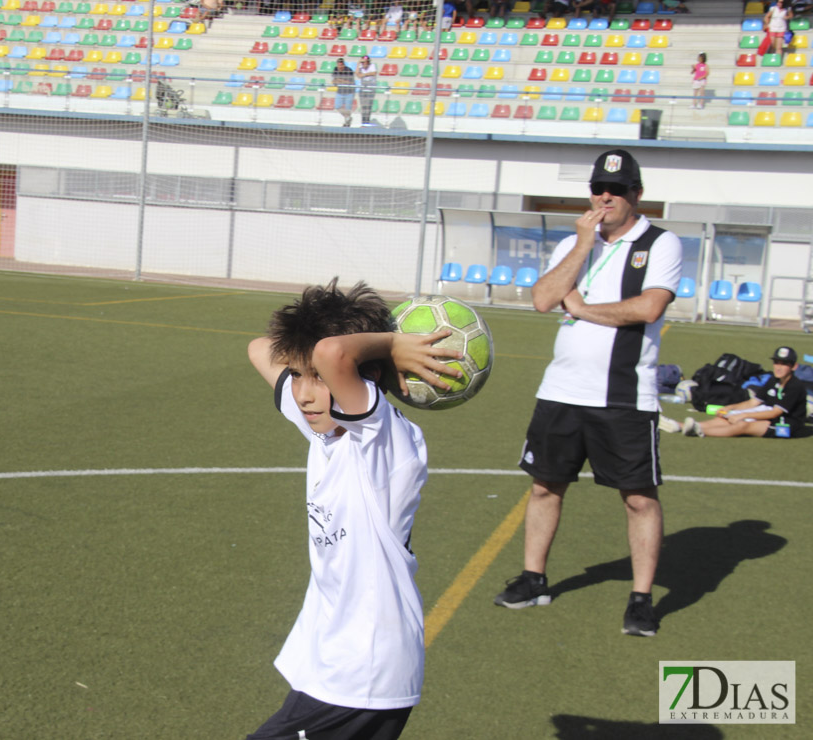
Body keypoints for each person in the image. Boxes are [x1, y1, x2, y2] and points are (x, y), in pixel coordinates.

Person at [245, 279, 462, 740]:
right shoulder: (323, 430)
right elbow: (259, 348)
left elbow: (333, 355)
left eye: (317, 379)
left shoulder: (383, 439)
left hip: (363, 672)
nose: (303, 394)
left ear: (370, 376)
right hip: (336, 665)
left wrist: (391, 345)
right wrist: (314, 360)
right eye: (298, 376)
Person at [494, 149, 683, 638]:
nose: (606, 197)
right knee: (543, 486)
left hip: (624, 395)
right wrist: (582, 244)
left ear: (636, 195)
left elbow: (647, 308)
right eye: (599, 188)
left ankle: (641, 599)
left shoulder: (661, 243)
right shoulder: (574, 243)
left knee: (639, 499)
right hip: (561, 390)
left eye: (617, 190)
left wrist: (579, 307)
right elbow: (541, 300)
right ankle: (534, 579)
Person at [669, 347, 809, 438]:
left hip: (788, 425)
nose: (779, 367)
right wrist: (730, 408)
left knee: (743, 425)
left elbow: (775, 413)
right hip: (770, 415)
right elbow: (753, 402)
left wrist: (743, 415)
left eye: (784, 364)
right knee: (725, 417)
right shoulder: (773, 380)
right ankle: (680, 425)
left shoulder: (795, 386)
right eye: (777, 363)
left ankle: (698, 430)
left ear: (794, 367)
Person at [333, 57, 356, 127]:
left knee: (348, 108)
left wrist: (340, 80)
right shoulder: (335, 69)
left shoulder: (349, 70)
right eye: (338, 65)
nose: (339, 67)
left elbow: (350, 82)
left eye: (341, 65)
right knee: (337, 106)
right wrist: (342, 81)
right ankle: (347, 118)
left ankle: (347, 122)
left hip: (349, 92)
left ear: (343, 65)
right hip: (340, 91)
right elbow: (334, 81)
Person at [355, 54, 378, 125]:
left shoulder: (372, 66)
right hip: (363, 90)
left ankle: (367, 122)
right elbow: (357, 74)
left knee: (368, 107)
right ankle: (363, 122)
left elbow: (374, 73)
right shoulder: (361, 67)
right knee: (363, 107)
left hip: (370, 90)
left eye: (364, 62)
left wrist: (364, 74)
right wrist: (358, 63)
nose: (363, 64)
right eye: (362, 62)